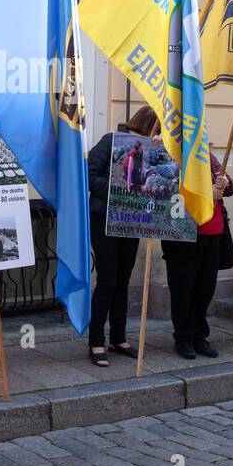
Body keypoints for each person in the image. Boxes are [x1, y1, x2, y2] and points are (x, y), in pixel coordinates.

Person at [85, 106, 159, 365]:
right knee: (107, 280)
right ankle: (96, 341)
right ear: (148, 125)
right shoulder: (111, 141)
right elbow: (89, 174)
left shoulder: (152, 149)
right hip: (104, 218)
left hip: (131, 219)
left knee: (123, 281)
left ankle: (118, 337)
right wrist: (117, 189)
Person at [161, 151, 233, 359]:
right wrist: (205, 192)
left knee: (205, 288)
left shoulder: (207, 155)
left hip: (213, 231)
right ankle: (183, 338)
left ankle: (199, 336)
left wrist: (225, 183)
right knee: (183, 289)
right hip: (182, 233)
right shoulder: (170, 153)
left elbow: (231, 186)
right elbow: (165, 189)